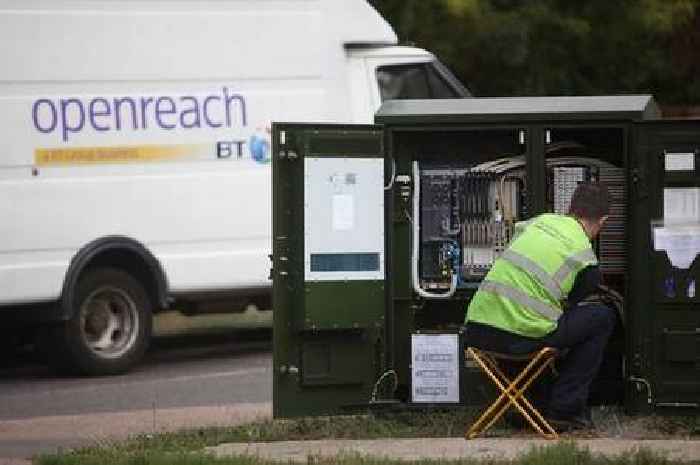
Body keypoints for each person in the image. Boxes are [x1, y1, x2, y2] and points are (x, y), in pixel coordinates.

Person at [464, 182, 617, 431]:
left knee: (532, 319)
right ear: (603, 221)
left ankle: (528, 406)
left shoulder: (536, 222)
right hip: (519, 338)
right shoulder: (586, 260)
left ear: (570, 208)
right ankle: (564, 410)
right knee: (601, 318)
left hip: (478, 330)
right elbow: (566, 306)